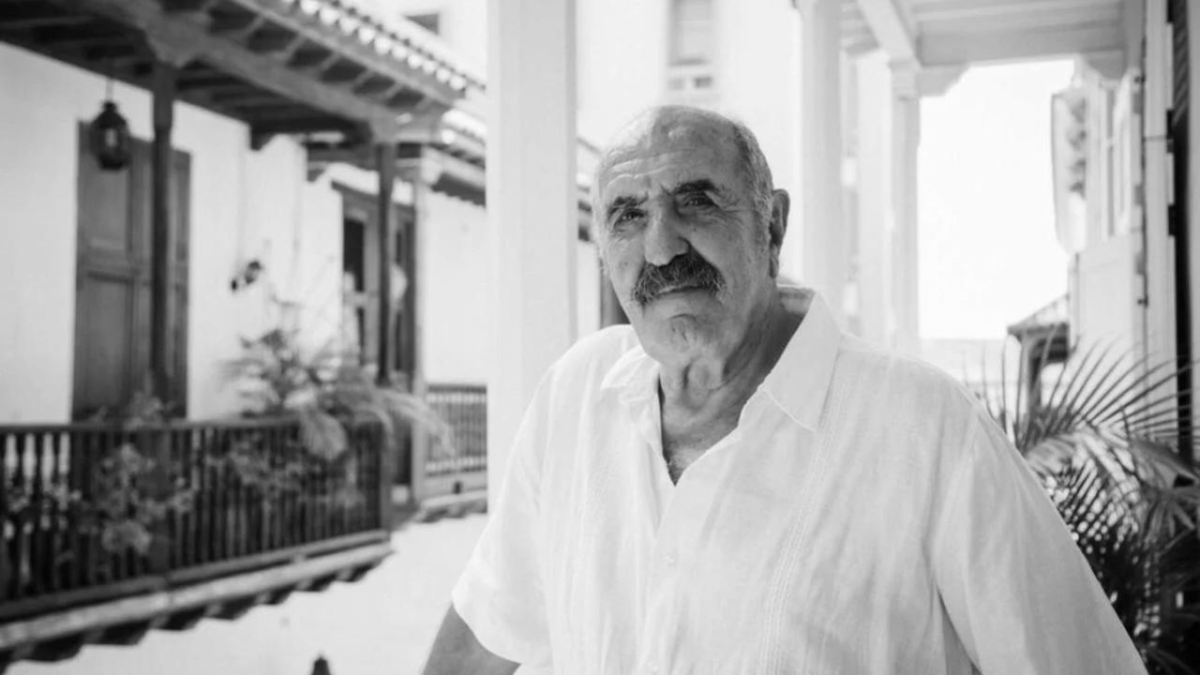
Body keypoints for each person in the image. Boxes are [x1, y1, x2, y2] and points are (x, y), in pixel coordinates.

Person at [420, 105, 1146, 674]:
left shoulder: (927, 429)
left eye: (696, 201)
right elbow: (486, 633)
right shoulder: (574, 399)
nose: (661, 246)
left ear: (772, 226)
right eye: (628, 215)